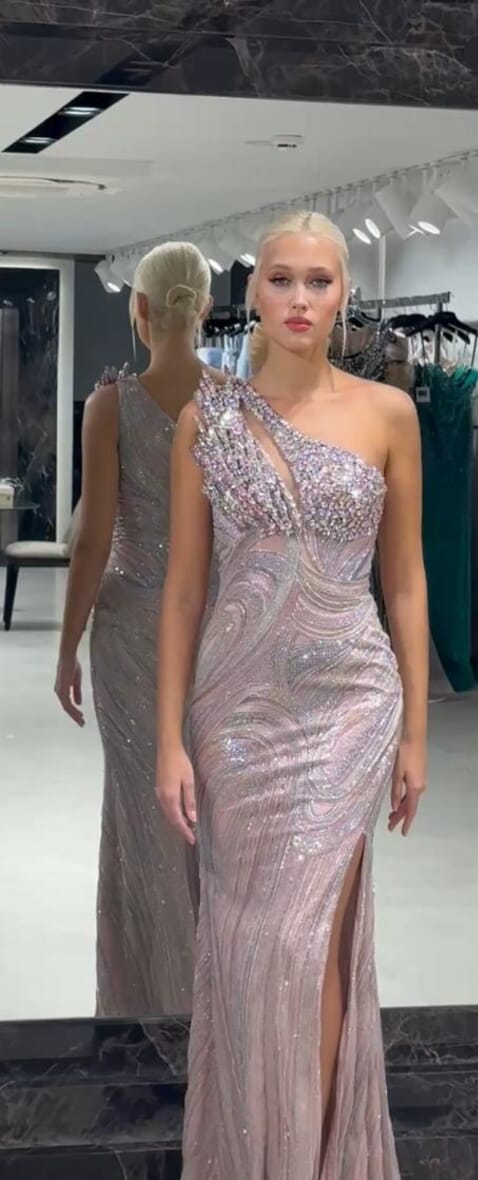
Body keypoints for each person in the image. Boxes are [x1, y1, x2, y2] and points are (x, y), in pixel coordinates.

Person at [156, 210, 478, 1180]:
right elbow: (184, 591)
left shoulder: (389, 412)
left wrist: (417, 733)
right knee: (247, 953)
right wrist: (168, 738)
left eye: (321, 282)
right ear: (255, 293)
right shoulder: (207, 419)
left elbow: (406, 580)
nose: (300, 300)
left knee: (307, 952)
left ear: (346, 294)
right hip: (236, 713)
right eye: (282, 280)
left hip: (348, 705)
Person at [55, 241, 219, 1016]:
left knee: (140, 809)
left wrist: (65, 648)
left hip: (129, 633)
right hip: (211, 627)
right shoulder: (235, 402)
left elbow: (93, 538)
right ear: (206, 309)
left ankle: (146, 1001)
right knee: (207, 807)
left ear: (140, 310)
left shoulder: (112, 406)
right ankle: (209, 997)